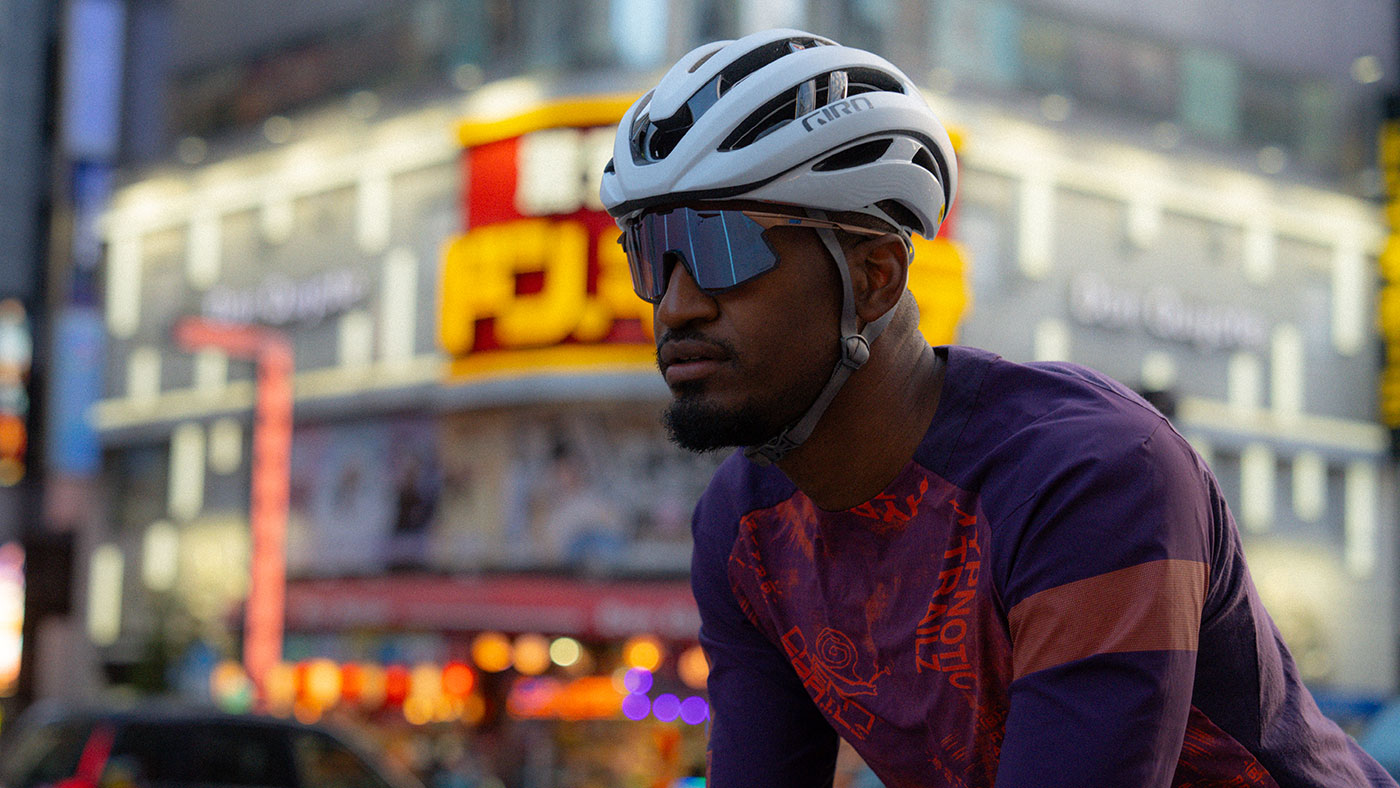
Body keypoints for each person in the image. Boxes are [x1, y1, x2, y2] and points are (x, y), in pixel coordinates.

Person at [599, 27, 1398, 788]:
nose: (676, 304)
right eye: (650, 251)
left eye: (719, 245)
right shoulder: (743, 527)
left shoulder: (1091, 478)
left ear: (875, 276)